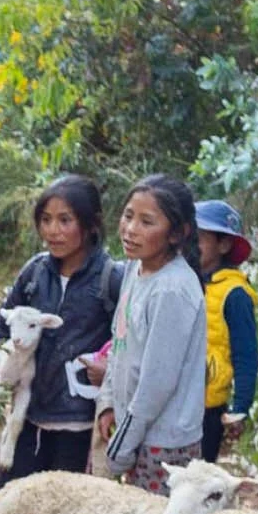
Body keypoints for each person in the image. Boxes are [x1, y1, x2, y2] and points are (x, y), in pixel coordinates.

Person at [0, 174, 120, 483]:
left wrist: (109, 371)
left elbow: (129, 344)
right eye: (45, 220)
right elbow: (0, 328)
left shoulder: (112, 279)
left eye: (64, 220)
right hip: (26, 417)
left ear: (90, 225)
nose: (52, 231)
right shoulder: (34, 273)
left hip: (79, 426)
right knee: (10, 508)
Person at [89, 176, 208, 493]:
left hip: (164, 443)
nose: (130, 229)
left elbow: (157, 382)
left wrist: (122, 446)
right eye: (128, 216)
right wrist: (109, 401)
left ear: (177, 233)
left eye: (146, 222)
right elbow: (121, 344)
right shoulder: (134, 269)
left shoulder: (172, 290)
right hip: (134, 430)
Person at [195, 199, 258, 462]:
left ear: (223, 244)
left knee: (197, 478)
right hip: (173, 402)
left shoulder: (235, 294)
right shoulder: (181, 281)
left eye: (199, 238)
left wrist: (240, 407)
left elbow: (246, 355)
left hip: (208, 405)